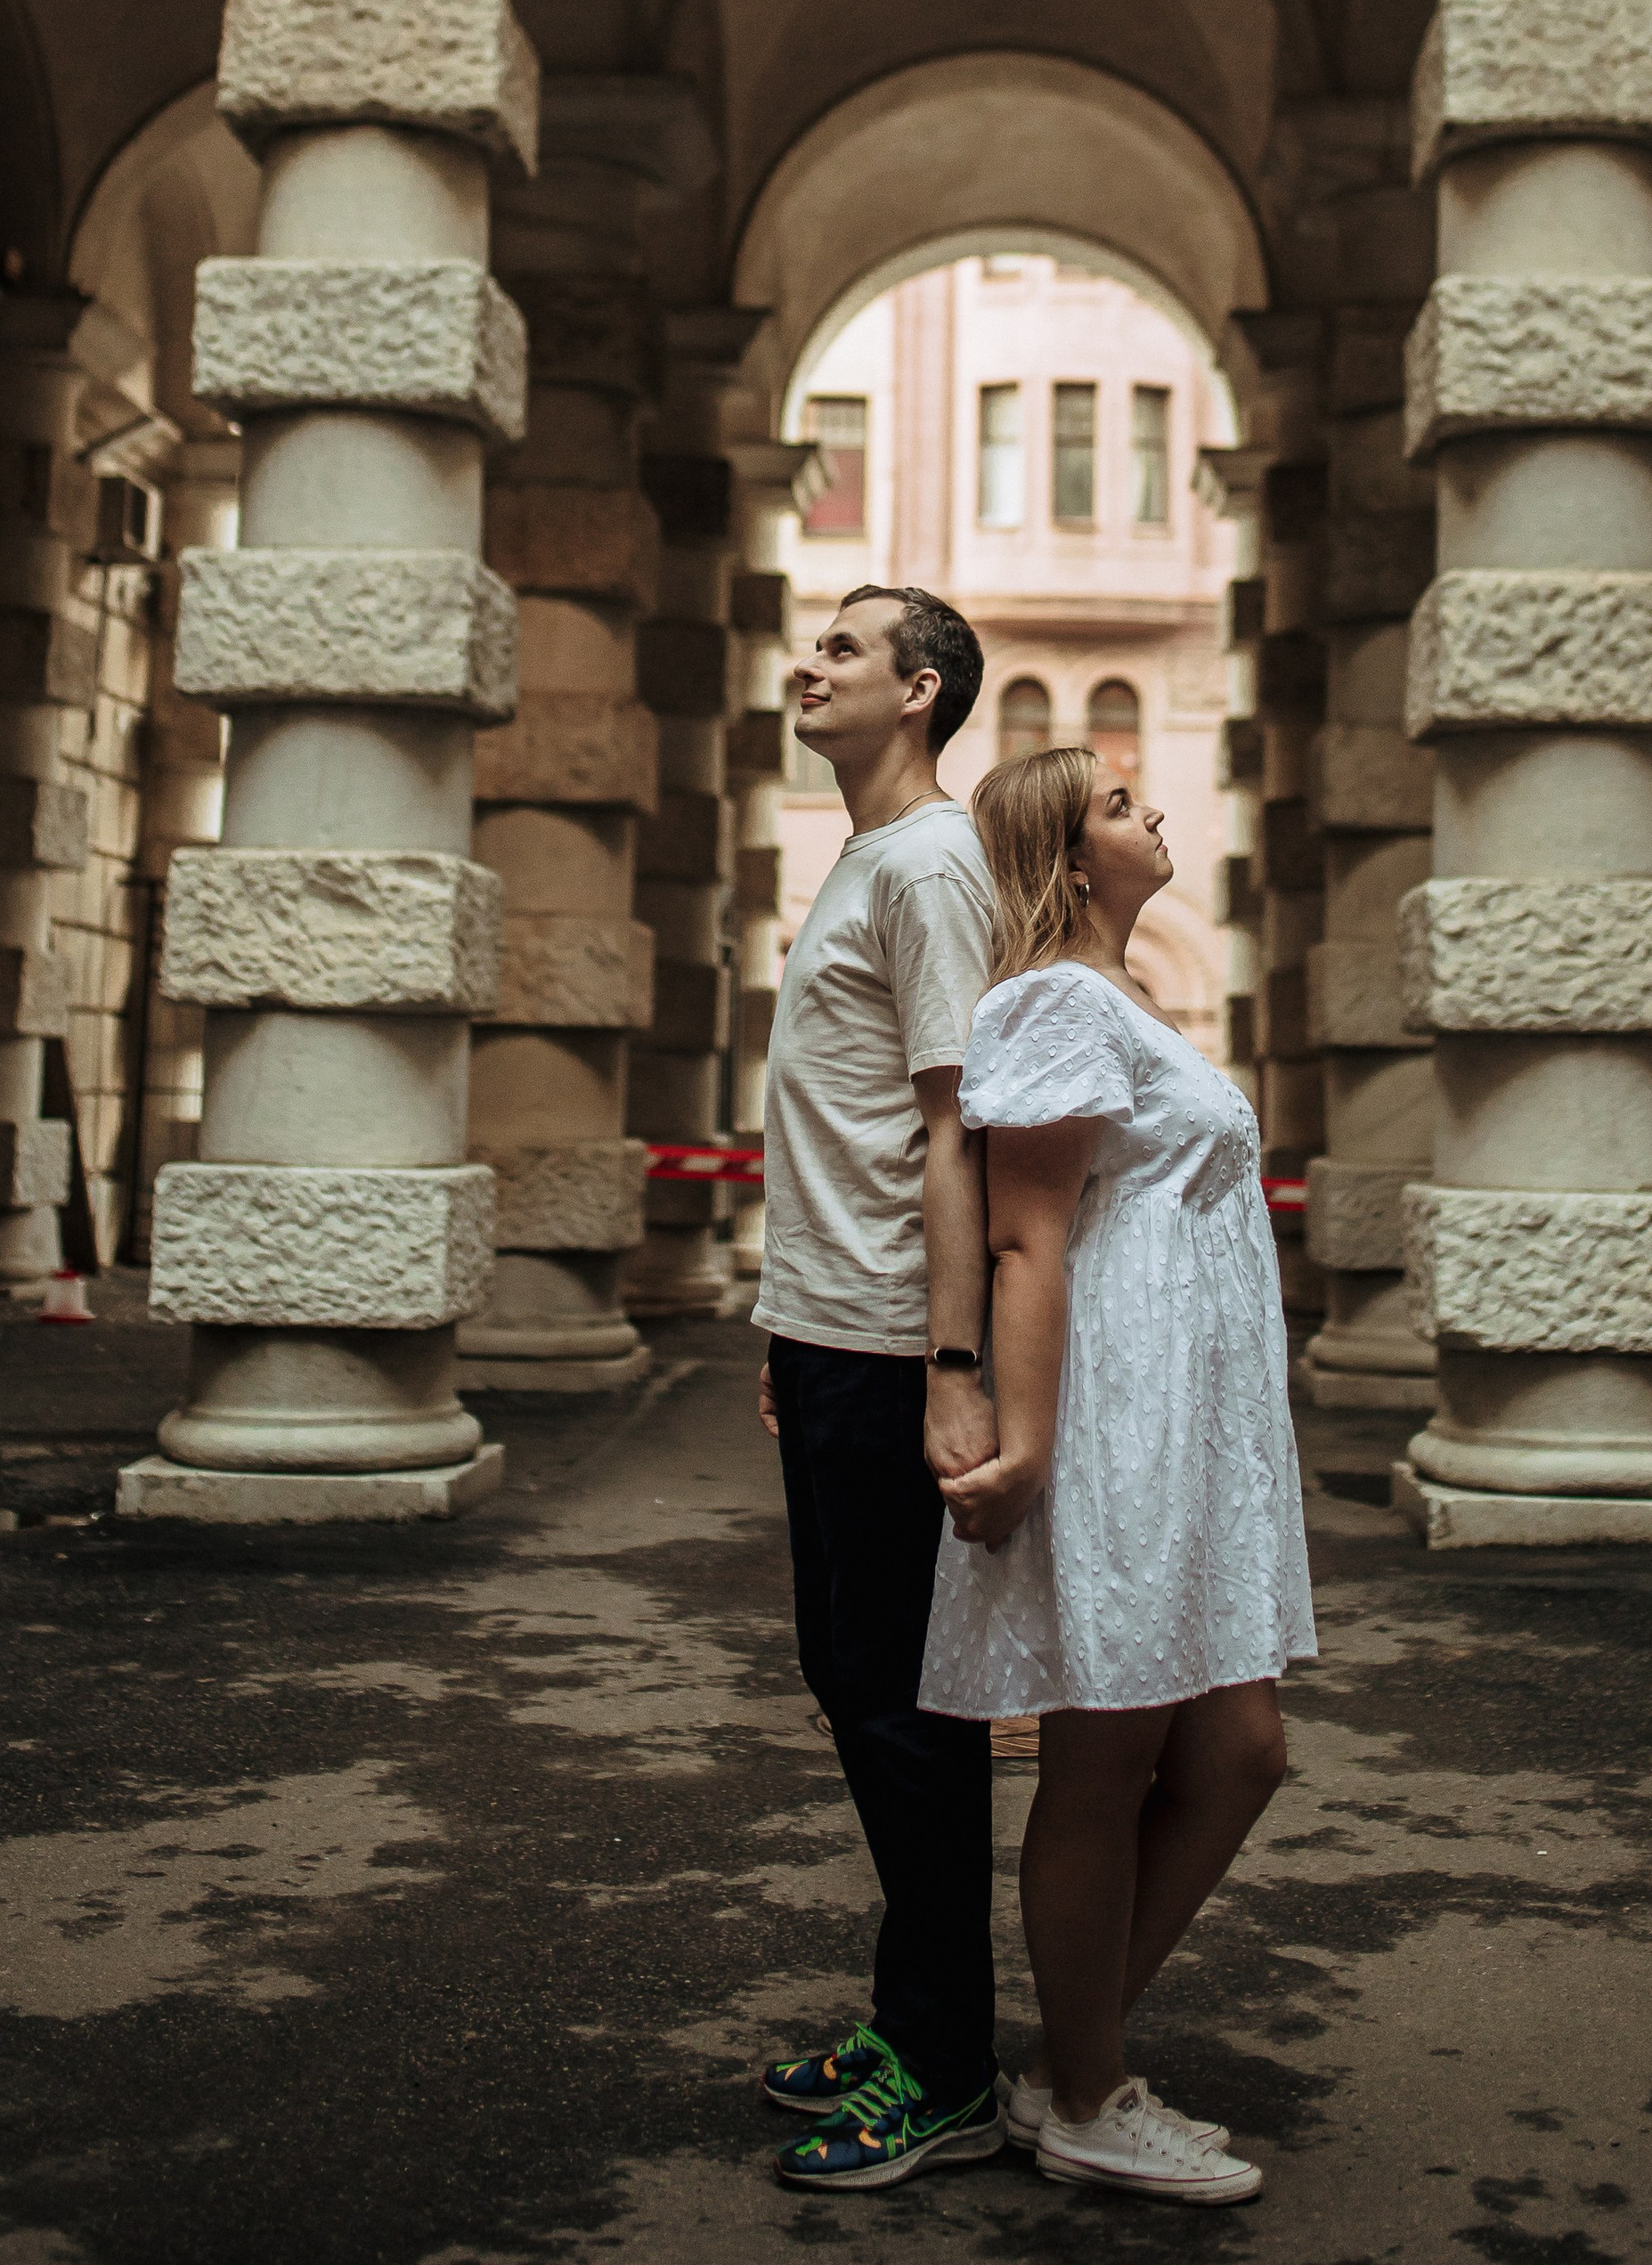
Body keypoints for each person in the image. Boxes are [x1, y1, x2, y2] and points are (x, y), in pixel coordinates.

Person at [924, 743, 1315, 2208]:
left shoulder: (1119, 998)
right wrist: (1019, 1441)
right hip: (1122, 1416)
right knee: (1107, 1758)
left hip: (1193, 1424)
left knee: (1240, 1751)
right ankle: (1086, 2090)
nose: (1149, 810)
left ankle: (1067, 2057)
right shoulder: (1052, 1000)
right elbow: (1028, 1233)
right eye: (1112, 802)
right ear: (1071, 861)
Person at [751, 583, 1005, 2194]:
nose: (809, 661)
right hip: (827, 1332)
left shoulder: (929, 865)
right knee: (852, 1682)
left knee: (906, 1711)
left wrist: (952, 1367)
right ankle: (912, 2018)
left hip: (892, 1343)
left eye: (843, 647)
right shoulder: (865, 855)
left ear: (917, 691)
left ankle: (949, 2066)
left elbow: (955, 1126)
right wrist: (788, 1331)